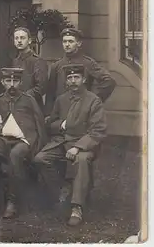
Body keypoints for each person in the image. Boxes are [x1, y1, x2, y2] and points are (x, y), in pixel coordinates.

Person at [34, 64, 107, 226]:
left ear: (84, 79)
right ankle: (62, 191)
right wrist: (61, 125)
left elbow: (98, 131)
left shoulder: (93, 101)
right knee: (40, 158)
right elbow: (51, 124)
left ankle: (77, 207)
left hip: (84, 144)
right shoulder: (61, 99)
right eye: (70, 78)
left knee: (81, 160)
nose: (73, 81)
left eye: (76, 78)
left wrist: (79, 146)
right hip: (62, 141)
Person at [0, 68, 47, 219]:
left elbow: (39, 124)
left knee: (15, 156)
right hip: (3, 140)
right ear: (3, 82)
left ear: (20, 82)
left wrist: (37, 145)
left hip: (24, 141)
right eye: (8, 81)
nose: (12, 85)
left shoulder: (28, 99)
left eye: (15, 81)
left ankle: (13, 201)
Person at [45, 28, 116, 116]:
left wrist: (93, 100)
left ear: (78, 43)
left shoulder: (88, 63)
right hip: (61, 112)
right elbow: (50, 94)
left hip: (82, 113)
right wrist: (48, 115)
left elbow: (109, 81)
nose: (67, 45)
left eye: (71, 41)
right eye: (64, 41)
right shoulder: (56, 66)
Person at [12, 27, 48, 110]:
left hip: (32, 106)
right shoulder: (15, 61)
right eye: (16, 38)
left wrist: (22, 97)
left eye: (22, 38)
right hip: (16, 106)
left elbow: (41, 88)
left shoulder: (38, 61)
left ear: (29, 41)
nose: (19, 41)